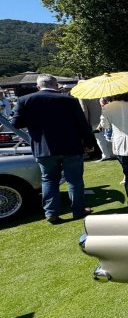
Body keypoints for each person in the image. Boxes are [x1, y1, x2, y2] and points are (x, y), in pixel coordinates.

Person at [12, 74, 97, 224]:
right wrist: (89, 143)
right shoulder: (69, 99)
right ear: (56, 85)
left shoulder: (24, 100)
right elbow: (82, 124)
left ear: (38, 86)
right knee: (75, 180)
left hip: (43, 148)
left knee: (49, 180)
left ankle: (51, 213)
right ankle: (78, 210)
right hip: (70, 146)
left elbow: (16, 123)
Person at [78, 96, 115, 161]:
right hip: (107, 116)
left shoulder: (82, 96)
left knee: (100, 138)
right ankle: (111, 153)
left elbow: (84, 110)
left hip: (95, 119)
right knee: (108, 136)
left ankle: (106, 155)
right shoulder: (99, 90)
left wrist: (85, 123)